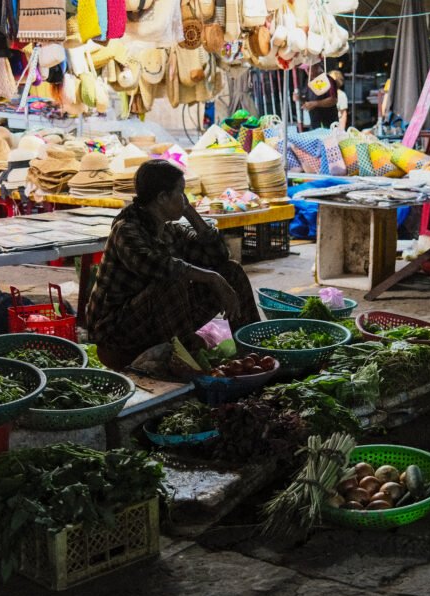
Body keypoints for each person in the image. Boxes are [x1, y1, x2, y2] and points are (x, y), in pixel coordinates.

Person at [85, 160, 260, 369]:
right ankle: (190, 361)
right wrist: (213, 279)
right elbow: (157, 267)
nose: (185, 199)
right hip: (117, 335)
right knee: (172, 281)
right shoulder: (126, 230)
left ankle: (254, 352)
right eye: (181, 192)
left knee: (231, 271)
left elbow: (217, 257)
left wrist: (191, 214)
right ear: (162, 198)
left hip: (155, 324)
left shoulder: (168, 230)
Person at [302, 64, 339, 129]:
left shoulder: (327, 80)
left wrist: (315, 104)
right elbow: (306, 99)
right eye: (305, 68)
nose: (307, 70)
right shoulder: (308, 81)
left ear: (317, 66)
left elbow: (333, 100)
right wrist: (299, 98)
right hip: (314, 123)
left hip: (328, 123)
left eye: (309, 68)